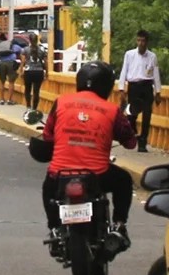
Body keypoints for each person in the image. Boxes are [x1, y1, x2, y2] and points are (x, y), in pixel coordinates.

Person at [41, 60, 138, 250]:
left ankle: (54, 228)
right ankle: (119, 225)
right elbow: (130, 142)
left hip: (59, 174)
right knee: (124, 181)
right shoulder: (112, 110)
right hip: (98, 175)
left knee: (47, 188)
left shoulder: (61, 102)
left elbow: (47, 135)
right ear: (107, 86)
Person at [117, 29, 163, 153]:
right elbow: (124, 71)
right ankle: (133, 132)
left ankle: (143, 142)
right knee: (132, 115)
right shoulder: (129, 54)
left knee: (147, 115)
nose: (140, 43)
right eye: (139, 40)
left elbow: (155, 74)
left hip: (147, 87)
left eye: (143, 41)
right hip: (134, 87)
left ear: (147, 42)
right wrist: (121, 89)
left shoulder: (152, 56)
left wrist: (158, 92)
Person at [20, 31, 49, 115]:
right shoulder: (42, 49)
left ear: (29, 40)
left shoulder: (25, 49)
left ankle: (28, 107)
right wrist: (46, 72)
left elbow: (23, 61)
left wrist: (21, 70)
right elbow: (46, 62)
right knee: (36, 91)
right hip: (38, 71)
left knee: (27, 90)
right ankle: (34, 108)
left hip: (28, 71)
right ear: (37, 40)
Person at [0, 28, 21, 105]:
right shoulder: (13, 45)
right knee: (11, 82)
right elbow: (22, 52)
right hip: (11, 63)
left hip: (2, 63)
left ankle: (2, 99)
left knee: (2, 81)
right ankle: (9, 100)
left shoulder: (0, 45)